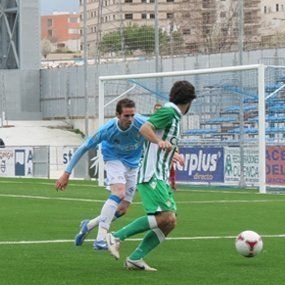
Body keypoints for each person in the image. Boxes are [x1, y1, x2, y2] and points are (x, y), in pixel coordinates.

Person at [105, 80, 196, 271]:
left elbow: (163, 139)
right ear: (188, 101)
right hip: (151, 174)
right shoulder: (169, 112)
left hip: (160, 174)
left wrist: (174, 154)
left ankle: (135, 258)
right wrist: (158, 142)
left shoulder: (174, 117)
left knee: (170, 222)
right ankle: (115, 236)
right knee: (164, 217)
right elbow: (145, 128)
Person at [56, 99, 148, 250]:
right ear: (117, 115)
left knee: (122, 209)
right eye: (126, 116)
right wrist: (66, 173)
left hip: (133, 164)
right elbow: (83, 148)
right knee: (119, 193)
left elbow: (161, 127)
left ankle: (88, 225)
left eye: (132, 115)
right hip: (113, 158)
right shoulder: (107, 130)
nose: (130, 119)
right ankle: (100, 239)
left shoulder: (142, 122)